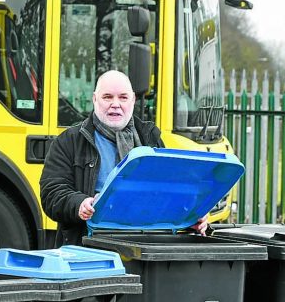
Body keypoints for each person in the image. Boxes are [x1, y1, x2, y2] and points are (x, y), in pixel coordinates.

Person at [40, 70, 207, 247]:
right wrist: (80, 203)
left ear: (133, 100)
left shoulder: (150, 138)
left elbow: (167, 192)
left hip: (145, 245)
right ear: (95, 99)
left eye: (123, 97)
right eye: (107, 97)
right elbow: (52, 193)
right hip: (88, 245)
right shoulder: (69, 140)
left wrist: (189, 217)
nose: (115, 104)